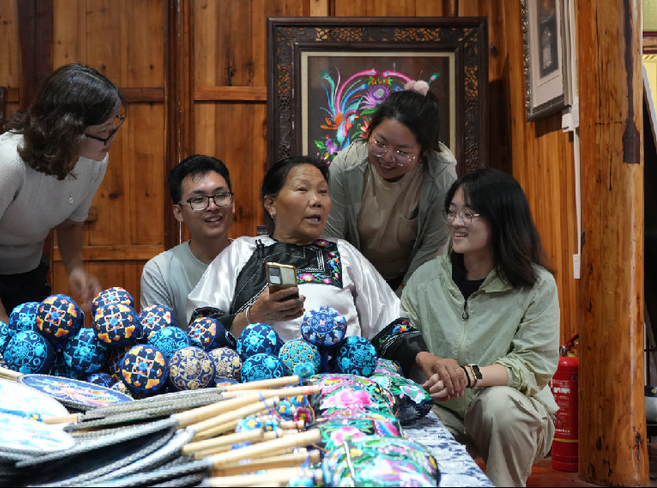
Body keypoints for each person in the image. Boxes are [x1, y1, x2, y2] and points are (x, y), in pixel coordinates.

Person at [0, 63, 124, 357]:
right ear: (69, 130)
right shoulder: (9, 161)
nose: (112, 138)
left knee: (33, 356)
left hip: (22, 265)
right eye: (104, 132)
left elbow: (70, 224)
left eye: (113, 127)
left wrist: (75, 269)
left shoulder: (95, 159)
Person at [400, 167, 559, 487]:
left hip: (511, 413)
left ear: (502, 219)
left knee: (499, 405)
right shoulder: (425, 279)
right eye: (452, 211)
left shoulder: (537, 285)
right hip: (442, 408)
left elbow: (533, 364)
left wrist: (469, 375)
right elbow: (402, 334)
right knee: (404, 425)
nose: (456, 222)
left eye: (469, 213)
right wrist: (428, 363)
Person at [186, 155, 402, 341]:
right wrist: (253, 316)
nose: (316, 200)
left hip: (337, 375)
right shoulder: (243, 251)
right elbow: (202, 328)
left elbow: (390, 324)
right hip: (260, 374)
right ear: (270, 203)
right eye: (302, 189)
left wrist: (419, 356)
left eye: (323, 191)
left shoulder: (342, 252)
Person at [322, 82, 457, 293]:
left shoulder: (441, 175)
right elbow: (332, 241)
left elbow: (432, 249)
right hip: (355, 278)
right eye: (380, 143)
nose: (387, 157)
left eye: (402, 152)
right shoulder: (346, 166)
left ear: (424, 151)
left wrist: (400, 300)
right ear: (369, 133)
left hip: (414, 278)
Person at [140, 154, 234, 317]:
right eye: (198, 199)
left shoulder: (254, 259)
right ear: (178, 212)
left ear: (233, 203)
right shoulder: (160, 271)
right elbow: (158, 332)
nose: (212, 206)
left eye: (220, 195)